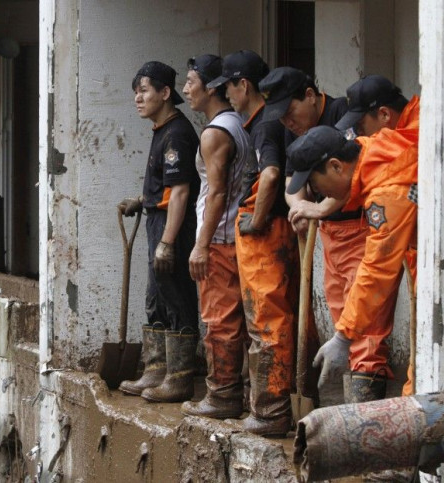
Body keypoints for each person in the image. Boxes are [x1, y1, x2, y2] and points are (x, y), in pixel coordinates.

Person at [290, 75, 420, 400]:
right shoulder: (371, 151)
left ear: (336, 166)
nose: (321, 197)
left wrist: (344, 337)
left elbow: (377, 270)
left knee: (423, 383)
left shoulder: (386, 191)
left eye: (318, 188)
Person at [200, 50, 300, 436]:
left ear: (244, 85)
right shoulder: (260, 124)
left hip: (267, 233)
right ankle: (270, 407)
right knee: (271, 319)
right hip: (274, 232)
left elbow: (272, 175)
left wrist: (255, 222)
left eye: (228, 87)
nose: (227, 95)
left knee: (266, 323)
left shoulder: (264, 126)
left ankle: (271, 412)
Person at [118, 61, 200, 403]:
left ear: (166, 93)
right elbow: (167, 187)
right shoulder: (161, 129)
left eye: (145, 91)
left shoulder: (178, 134)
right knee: (156, 296)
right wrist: (143, 200)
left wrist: (167, 242)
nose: (138, 98)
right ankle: (156, 369)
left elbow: (181, 190)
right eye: (136, 92)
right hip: (158, 218)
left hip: (172, 227)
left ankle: (180, 378)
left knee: (175, 293)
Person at [176, 54, 251, 414]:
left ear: (211, 87)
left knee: (218, 319)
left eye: (191, 82)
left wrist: (201, 245)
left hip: (219, 237)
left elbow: (217, 192)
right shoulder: (238, 123)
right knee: (238, 318)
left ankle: (222, 396)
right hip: (234, 234)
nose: (186, 89)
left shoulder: (215, 132)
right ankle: (235, 393)